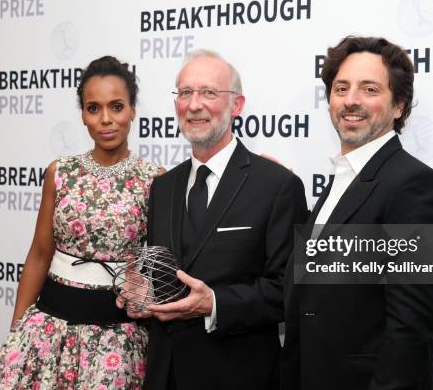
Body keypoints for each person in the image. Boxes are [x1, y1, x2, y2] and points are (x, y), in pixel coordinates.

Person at [119, 49, 308, 390]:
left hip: (238, 375)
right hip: (165, 375)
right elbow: (164, 272)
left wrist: (216, 304)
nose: (194, 105)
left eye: (209, 93)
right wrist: (142, 291)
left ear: (236, 105)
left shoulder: (277, 185)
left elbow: (288, 290)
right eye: (185, 93)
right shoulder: (163, 187)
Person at [281, 36, 433, 390]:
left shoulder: (415, 185)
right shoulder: (339, 181)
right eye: (341, 88)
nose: (351, 100)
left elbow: (411, 325)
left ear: (399, 106)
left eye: (369, 89)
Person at [0, 56, 161, 390]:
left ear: (133, 110)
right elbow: (39, 254)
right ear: (83, 115)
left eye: (117, 106)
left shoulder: (155, 180)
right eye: (94, 108)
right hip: (49, 328)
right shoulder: (59, 172)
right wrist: (17, 332)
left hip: (117, 340)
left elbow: (163, 266)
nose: (106, 120)